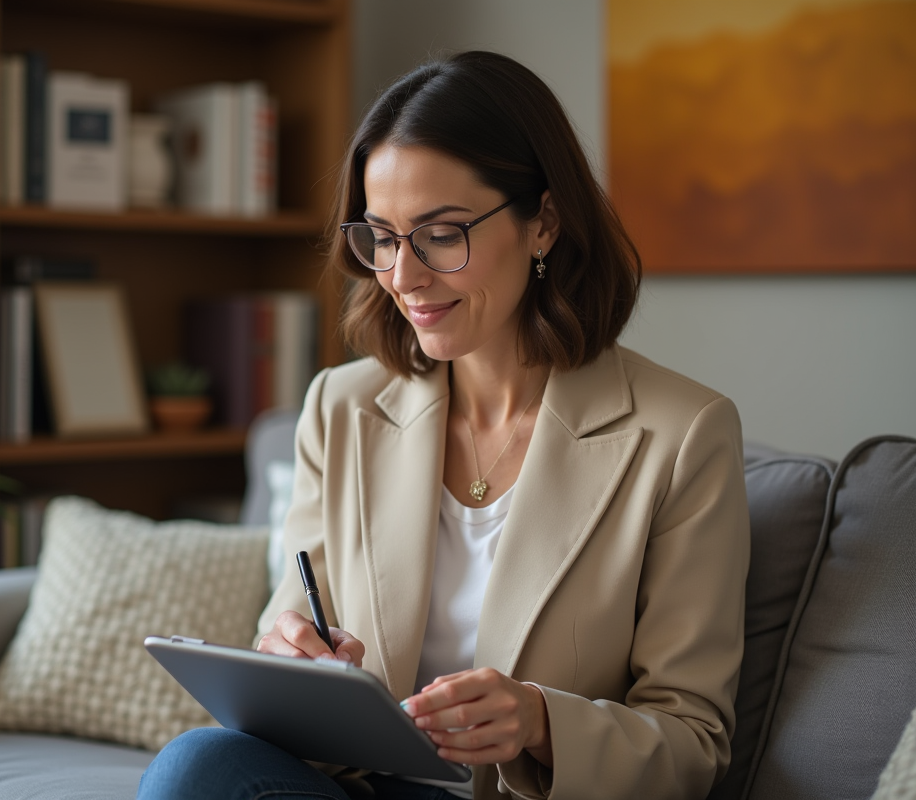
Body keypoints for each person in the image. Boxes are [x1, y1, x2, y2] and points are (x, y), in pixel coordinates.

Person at [138, 50, 750, 800]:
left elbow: (694, 742)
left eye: (441, 233)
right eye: (383, 237)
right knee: (198, 765)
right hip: (366, 786)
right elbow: (294, 627)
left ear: (545, 224)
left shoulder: (683, 434)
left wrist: (539, 722)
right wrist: (288, 655)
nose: (403, 275)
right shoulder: (341, 408)